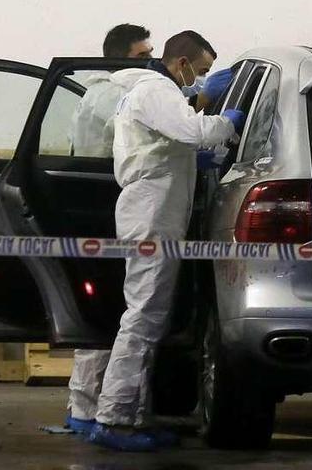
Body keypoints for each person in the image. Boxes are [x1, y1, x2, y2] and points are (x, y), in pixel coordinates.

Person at [86, 30, 244, 452]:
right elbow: (194, 131)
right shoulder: (156, 89)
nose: (203, 79)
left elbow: (167, 144)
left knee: (148, 317)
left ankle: (131, 416)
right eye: (203, 71)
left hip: (154, 210)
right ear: (183, 64)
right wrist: (225, 122)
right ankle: (114, 419)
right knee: (142, 317)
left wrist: (194, 156)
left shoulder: (153, 93)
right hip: (151, 213)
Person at [65, 23, 154, 436]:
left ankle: (83, 410)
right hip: (105, 205)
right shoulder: (111, 93)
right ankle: (94, 413)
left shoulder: (100, 90)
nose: (149, 62)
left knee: (102, 310)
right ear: (117, 55)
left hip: (101, 202)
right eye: (141, 55)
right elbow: (139, 130)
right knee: (108, 310)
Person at [67, 24, 153, 157]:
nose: (150, 61)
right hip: (104, 173)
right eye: (142, 56)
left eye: (150, 53)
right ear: (120, 60)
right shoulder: (116, 94)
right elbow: (146, 139)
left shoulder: (97, 90)